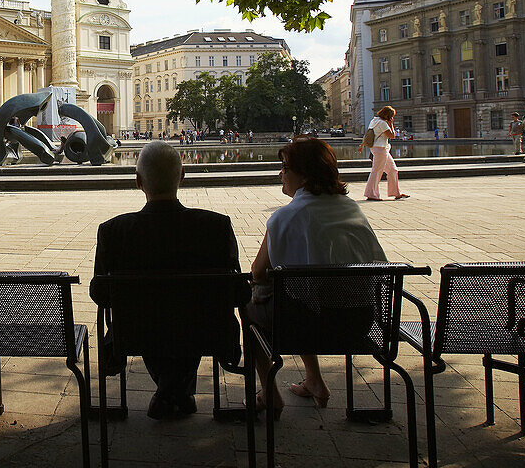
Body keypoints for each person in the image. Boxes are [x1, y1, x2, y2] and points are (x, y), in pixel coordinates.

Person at [92, 141, 241, 420]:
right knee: (186, 317)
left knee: (157, 317)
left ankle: (169, 388)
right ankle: (176, 389)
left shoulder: (114, 231)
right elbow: (238, 291)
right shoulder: (215, 226)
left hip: (134, 332)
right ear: (182, 176)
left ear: (138, 181)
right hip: (209, 331)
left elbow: (100, 292)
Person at [247, 136, 386, 418]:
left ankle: (270, 395)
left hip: (305, 327)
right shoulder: (352, 209)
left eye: (285, 168)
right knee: (305, 298)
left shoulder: (284, 217)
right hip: (358, 324)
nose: (280, 174)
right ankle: (313, 380)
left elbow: (257, 271)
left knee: (251, 311)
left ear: (304, 174)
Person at [359, 106, 407, 201]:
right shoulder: (382, 123)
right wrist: (391, 124)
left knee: (393, 169)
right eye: (392, 116)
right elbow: (392, 136)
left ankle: (396, 193)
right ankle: (371, 194)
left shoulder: (374, 121)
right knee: (376, 171)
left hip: (380, 148)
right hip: (380, 149)